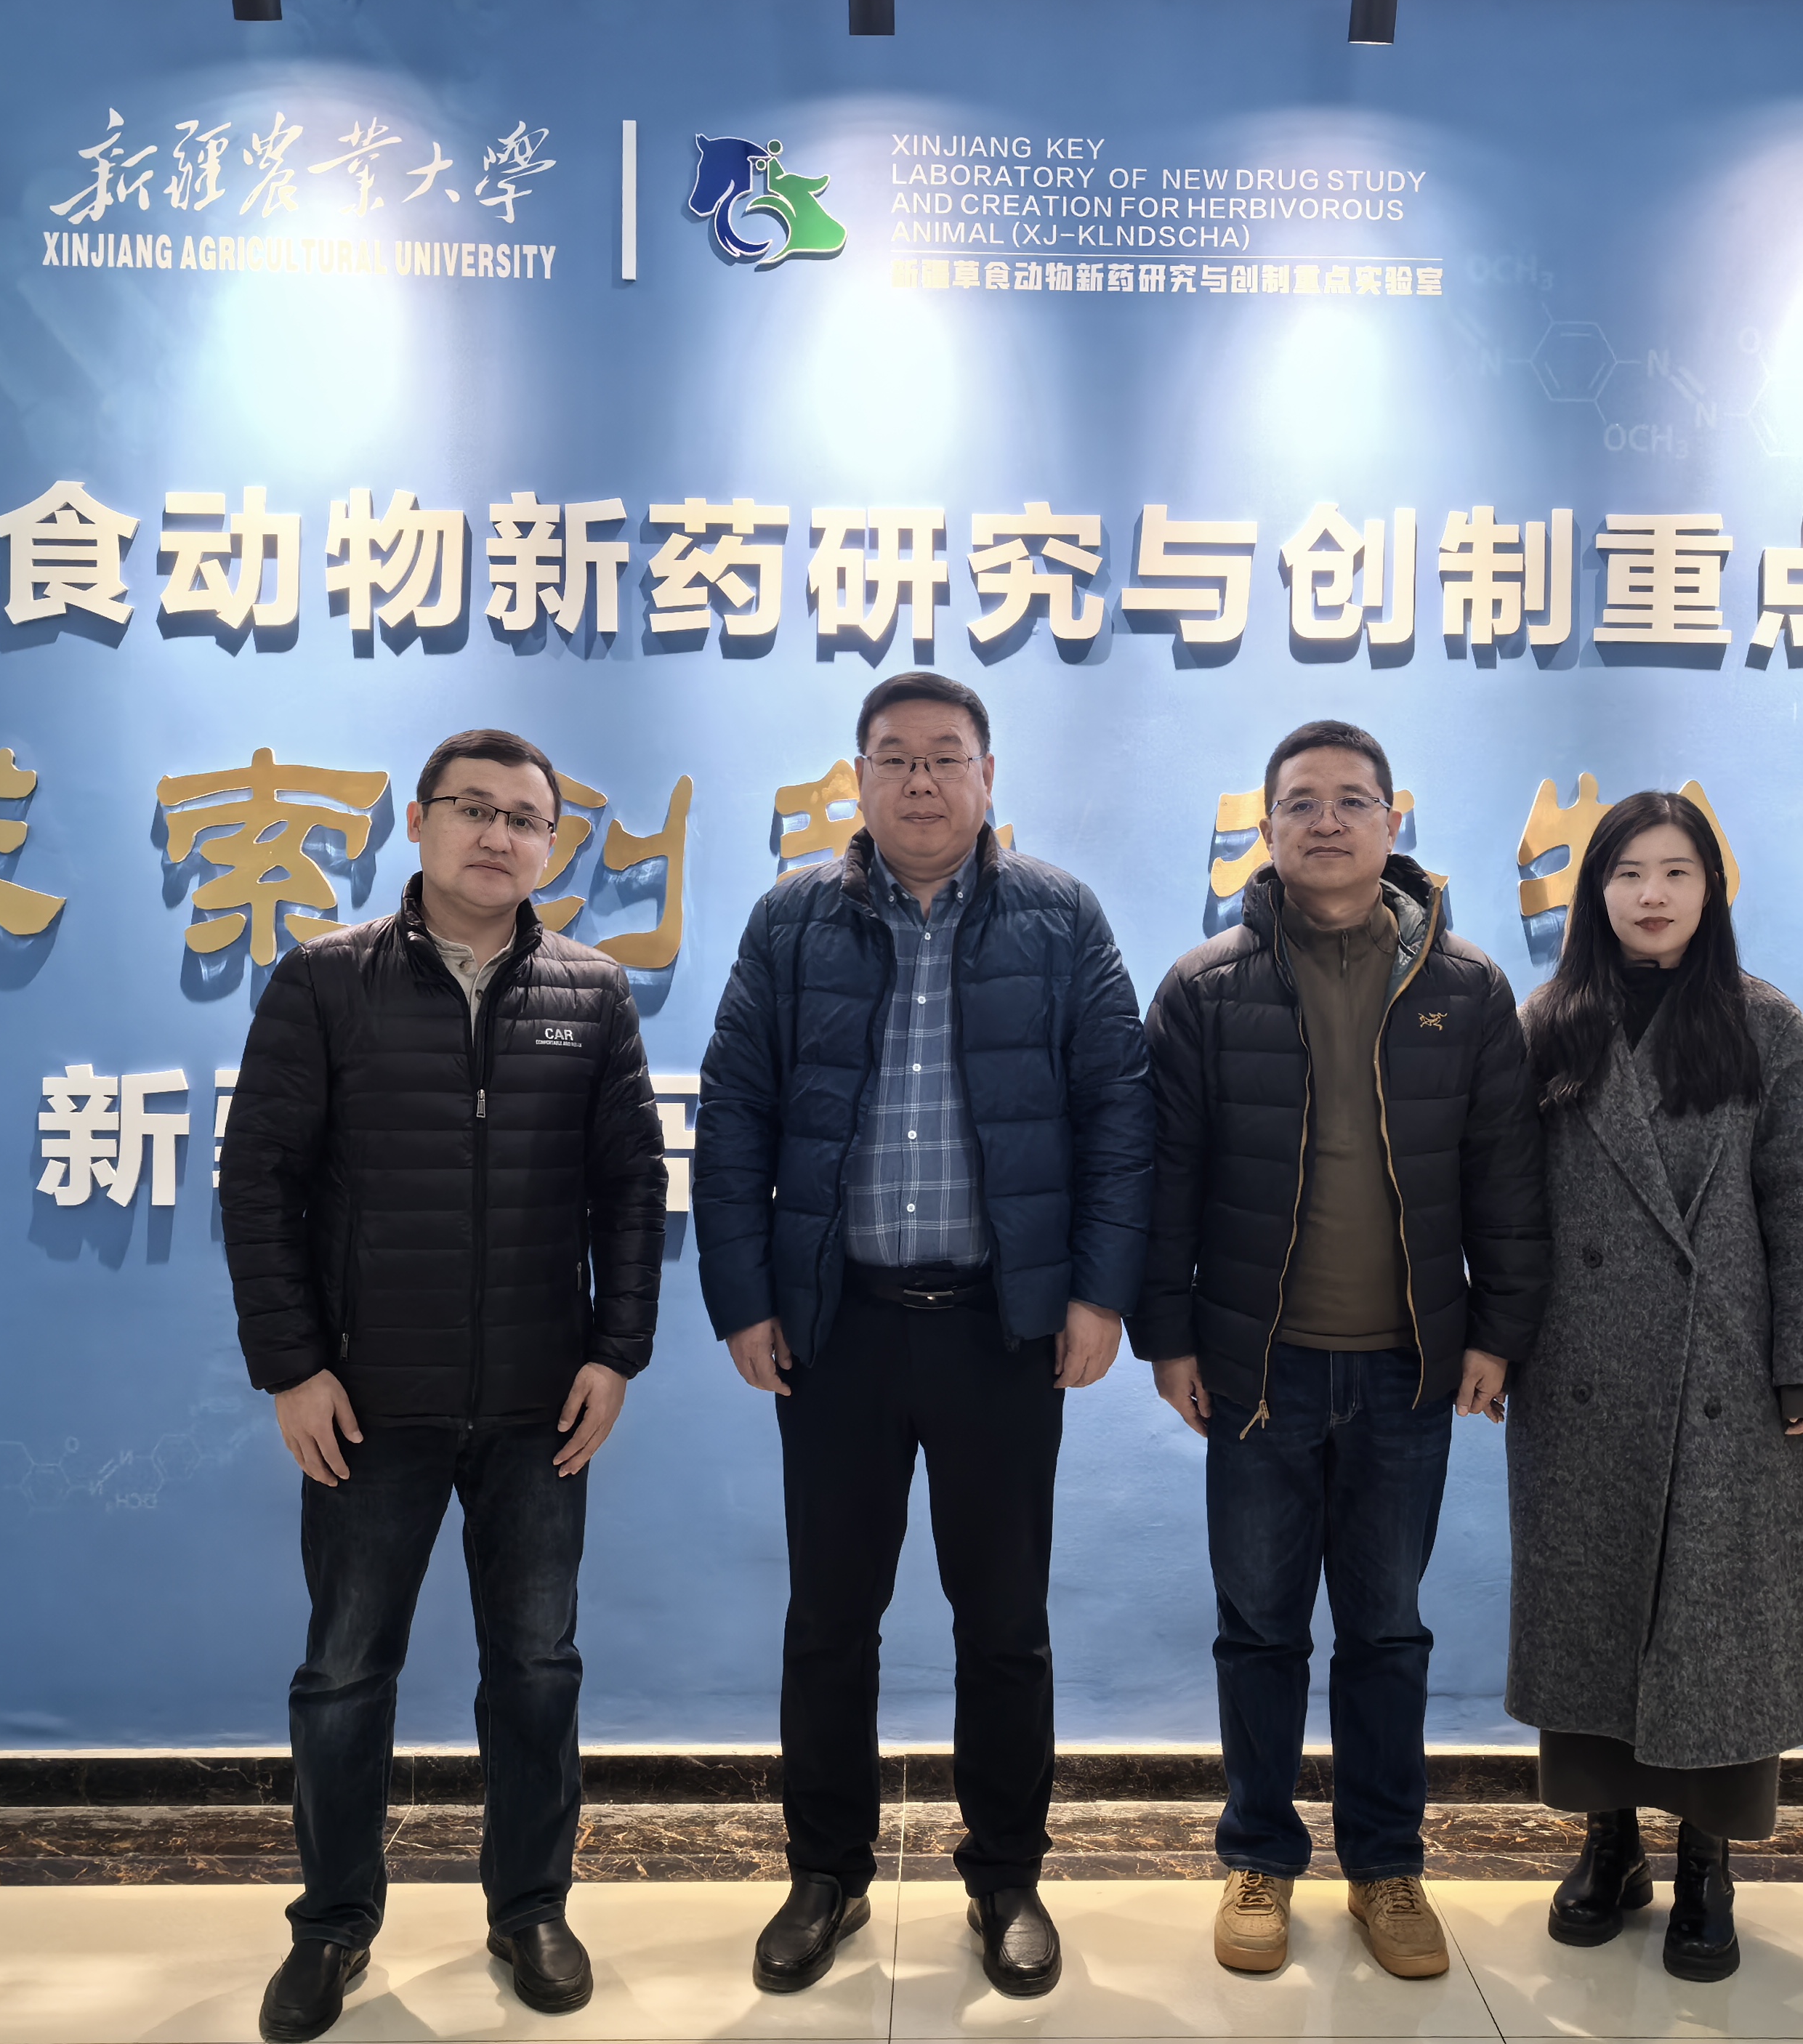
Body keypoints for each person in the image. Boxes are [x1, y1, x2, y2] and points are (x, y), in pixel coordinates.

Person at [695, 674, 1153, 2000]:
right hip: (836, 1331)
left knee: (1003, 1622)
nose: (920, 781)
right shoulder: (791, 922)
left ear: (988, 777)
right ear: (859, 780)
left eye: (946, 757)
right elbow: (735, 1116)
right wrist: (745, 1301)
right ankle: (825, 1875)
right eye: (894, 758)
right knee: (830, 1621)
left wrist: (1098, 1295)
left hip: (999, 1333)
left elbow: (1118, 1117)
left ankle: (1006, 1877)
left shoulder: (1062, 918)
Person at [222, 728, 666, 2042]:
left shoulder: (593, 991)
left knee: (536, 1668)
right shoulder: (326, 981)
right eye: (474, 809)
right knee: (344, 1673)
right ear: (417, 824)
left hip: (538, 1404)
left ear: (551, 848)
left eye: (525, 820)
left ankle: (531, 1908)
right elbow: (259, 1185)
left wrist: (615, 1353)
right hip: (369, 1402)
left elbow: (632, 1190)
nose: (497, 836)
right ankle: (331, 1925)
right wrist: (293, 1368)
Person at [1133, 718, 1546, 1982]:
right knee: (1259, 1630)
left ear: (1392, 821)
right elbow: (1165, 1180)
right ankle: (1258, 1857)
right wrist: (1166, 1338)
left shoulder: (1468, 988)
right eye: (1301, 802)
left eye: (1352, 800)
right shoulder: (1206, 989)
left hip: (1407, 1371)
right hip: (1258, 1373)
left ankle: (1387, 1866)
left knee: (1386, 1631)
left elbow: (1506, 1179)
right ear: (1264, 827)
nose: (1326, 821)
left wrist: (1500, 1331)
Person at [1506, 789, 1803, 1984]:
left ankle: (1709, 1858)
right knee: (1590, 1614)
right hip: (1581, 1368)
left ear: (1713, 889)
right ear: (1595, 891)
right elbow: (1509, 1211)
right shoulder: (1549, 1023)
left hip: (1727, 1374)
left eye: (1677, 872)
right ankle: (1608, 1843)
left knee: (1722, 1626)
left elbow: (1801, 1204)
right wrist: (1495, 1344)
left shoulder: (1764, 1022)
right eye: (1628, 873)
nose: (1652, 894)